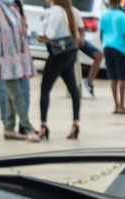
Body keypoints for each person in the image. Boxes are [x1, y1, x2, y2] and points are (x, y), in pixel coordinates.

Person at [0, 0, 36, 140]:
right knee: (17, 94)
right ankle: (27, 127)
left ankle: (9, 127)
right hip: (5, 59)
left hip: (15, 59)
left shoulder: (12, 7)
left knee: (13, 95)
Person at [35, 0, 82, 139]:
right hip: (70, 53)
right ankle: (76, 123)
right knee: (73, 89)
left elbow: (50, 34)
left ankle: (43, 125)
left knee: (45, 88)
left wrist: (37, 37)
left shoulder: (55, 10)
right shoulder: (73, 11)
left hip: (57, 55)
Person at [100, 0, 125, 114]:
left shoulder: (104, 15)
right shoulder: (122, 16)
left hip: (107, 46)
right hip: (119, 48)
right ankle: (122, 105)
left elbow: (101, 32)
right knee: (122, 78)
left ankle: (116, 105)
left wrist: (104, 44)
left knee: (113, 78)